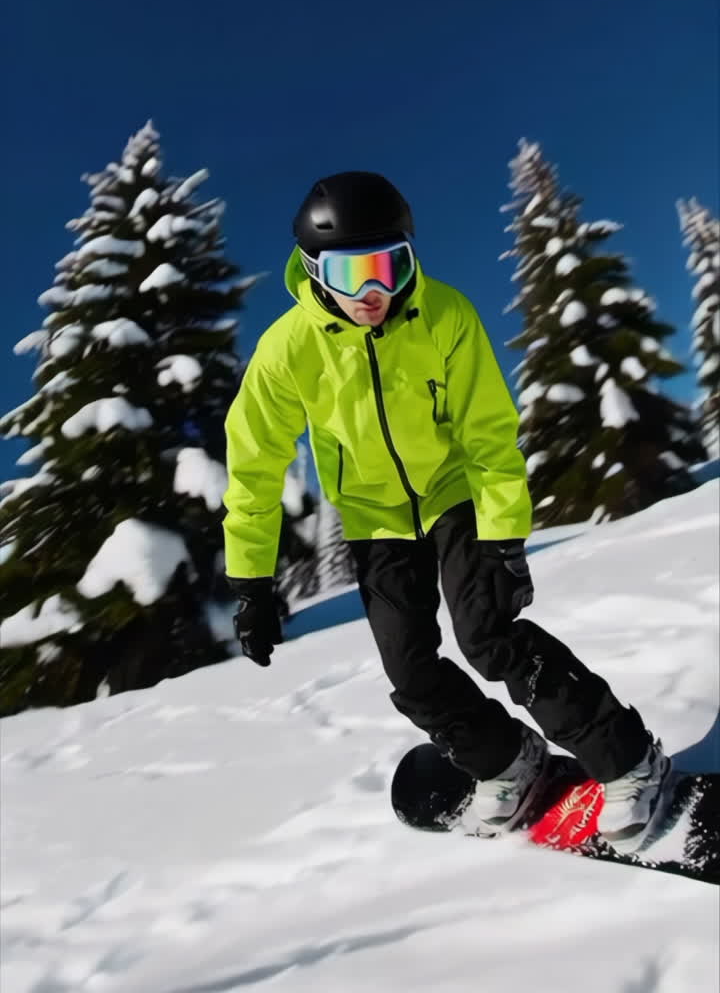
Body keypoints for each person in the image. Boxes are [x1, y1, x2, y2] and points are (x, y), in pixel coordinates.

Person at [223, 171, 670, 851]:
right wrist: (251, 582)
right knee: (410, 672)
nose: (372, 293)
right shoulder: (287, 351)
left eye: (388, 267)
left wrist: (502, 538)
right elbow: (253, 464)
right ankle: (504, 758)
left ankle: (627, 757)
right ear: (315, 272)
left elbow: (489, 436)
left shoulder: (445, 316)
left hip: (454, 494)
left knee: (488, 635)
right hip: (374, 518)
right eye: (351, 274)